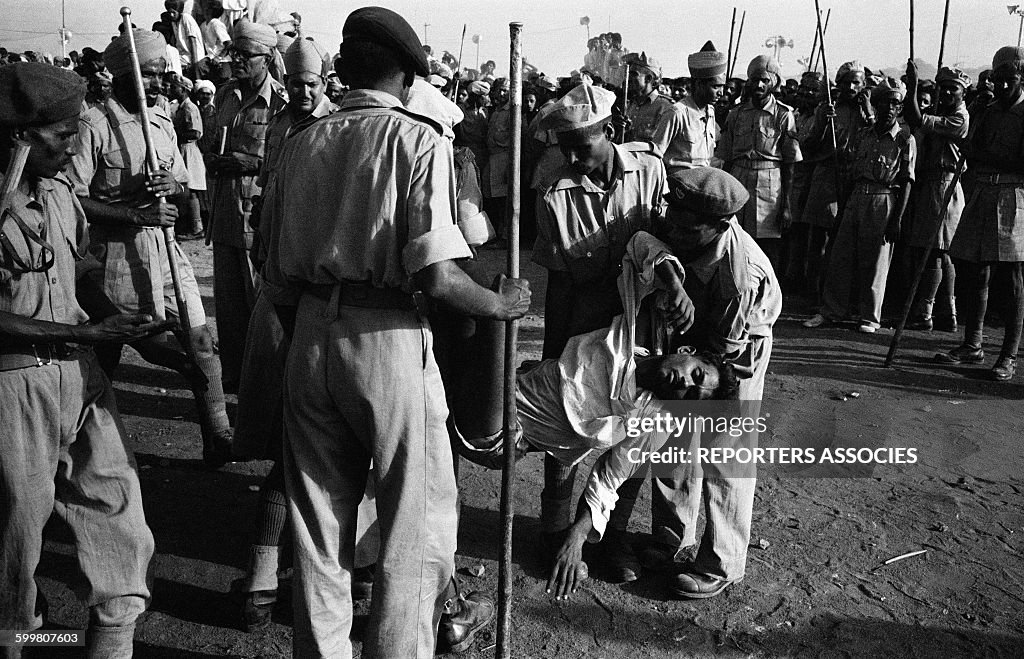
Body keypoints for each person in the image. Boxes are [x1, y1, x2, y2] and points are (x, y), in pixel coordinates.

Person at [268, 8, 531, 656]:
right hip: (384, 333)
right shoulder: (418, 141)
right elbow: (439, 277)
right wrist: (501, 306)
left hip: (307, 333)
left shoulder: (302, 141)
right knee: (413, 530)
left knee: (319, 530)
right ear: (408, 76)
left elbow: (270, 270)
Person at [548, 166, 780, 601]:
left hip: (733, 355)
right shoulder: (678, 224)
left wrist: (687, 364)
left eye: (687, 230)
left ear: (720, 226)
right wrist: (673, 279)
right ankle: (672, 537)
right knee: (671, 441)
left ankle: (721, 561)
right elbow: (643, 243)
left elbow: (719, 354)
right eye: (672, 218)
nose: (673, 228)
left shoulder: (742, 277)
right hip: (689, 344)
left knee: (723, 449)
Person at [0, 61, 159, 658]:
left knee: (119, 519)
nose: (73, 152)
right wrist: (88, 335)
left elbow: (82, 267)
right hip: (15, 388)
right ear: (19, 135)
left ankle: (110, 640)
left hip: (81, 379)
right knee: (16, 547)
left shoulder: (61, 193)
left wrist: (117, 320)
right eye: (62, 137)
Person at [67, 28, 234, 467]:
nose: (158, 84)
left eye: (162, 74)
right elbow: (71, 199)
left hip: (166, 253)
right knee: (107, 352)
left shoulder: (161, 120)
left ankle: (217, 435)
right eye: (150, 74)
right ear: (124, 73)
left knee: (200, 341)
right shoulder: (93, 125)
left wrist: (172, 186)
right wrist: (134, 214)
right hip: (113, 259)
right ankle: (81, 449)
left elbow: (181, 184)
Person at [533, 81, 668, 582]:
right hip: (587, 326)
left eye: (582, 145)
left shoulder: (650, 172)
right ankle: (552, 530)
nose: (573, 156)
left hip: (644, 327)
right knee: (565, 425)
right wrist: (553, 355)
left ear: (609, 132)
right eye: (564, 147)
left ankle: (610, 539)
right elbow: (561, 286)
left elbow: (665, 245)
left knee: (636, 434)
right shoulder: (554, 195)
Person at [230, 35, 339, 632]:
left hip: (305, 297)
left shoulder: (335, 130)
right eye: (296, 83)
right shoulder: (277, 128)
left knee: (305, 449)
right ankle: (267, 584)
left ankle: (275, 579)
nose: (303, 93)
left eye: (312, 84)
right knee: (293, 445)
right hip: (288, 302)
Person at [206, 19, 287, 391]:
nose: (236, 60)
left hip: (258, 219)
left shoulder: (282, 104)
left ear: (267, 59)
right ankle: (235, 377)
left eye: (245, 55)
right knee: (229, 308)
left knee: (261, 305)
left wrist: (250, 163)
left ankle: (263, 385)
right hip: (224, 216)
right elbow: (208, 145)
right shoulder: (224, 96)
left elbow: (288, 159)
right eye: (234, 53)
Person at [938, 47, 1024, 381]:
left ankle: (1008, 355)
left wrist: (983, 155)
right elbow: (971, 152)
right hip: (982, 192)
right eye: (997, 80)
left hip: (1013, 196)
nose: (1001, 86)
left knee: (1013, 278)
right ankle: (972, 344)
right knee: (973, 269)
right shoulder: (987, 111)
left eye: (1009, 80)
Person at [805, 78, 916, 333]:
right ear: (875, 105)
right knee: (840, 257)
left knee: (875, 262)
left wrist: (897, 219)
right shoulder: (865, 134)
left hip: (883, 198)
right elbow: (852, 171)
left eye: (895, 103)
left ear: (900, 108)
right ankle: (832, 310)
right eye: (884, 102)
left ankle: (870, 316)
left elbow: (907, 181)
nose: (889, 108)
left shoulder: (904, 139)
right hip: (856, 196)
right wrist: (844, 206)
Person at [798, 61, 875, 302]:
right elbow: (807, 146)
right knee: (819, 240)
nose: (851, 87)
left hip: (854, 178)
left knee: (846, 241)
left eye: (857, 82)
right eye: (847, 82)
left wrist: (869, 111)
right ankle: (813, 294)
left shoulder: (868, 110)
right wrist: (822, 122)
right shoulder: (827, 108)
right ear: (839, 85)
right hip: (827, 174)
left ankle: (841, 297)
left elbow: (877, 135)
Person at [716, 55, 802, 269]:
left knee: (766, 247)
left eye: (765, 80)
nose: (759, 85)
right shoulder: (736, 114)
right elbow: (726, 157)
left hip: (769, 187)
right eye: (754, 79)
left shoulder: (783, 115)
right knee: (734, 238)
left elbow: (790, 163)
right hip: (738, 179)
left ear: (774, 83)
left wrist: (787, 205)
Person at [903, 63, 971, 332]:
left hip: (945, 184)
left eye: (952, 89)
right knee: (940, 253)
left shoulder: (959, 118)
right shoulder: (942, 113)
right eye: (942, 88)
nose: (945, 94)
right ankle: (948, 312)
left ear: (962, 93)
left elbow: (917, 119)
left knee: (935, 252)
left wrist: (913, 86)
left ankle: (925, 312)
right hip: (931, 183)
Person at [651, 40, 726, 173]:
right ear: (699, 84)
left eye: (722, 87)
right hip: (679, 185)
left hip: (704, 183)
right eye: (715, 87)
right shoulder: (677, 113)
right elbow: (655, 156)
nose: (721, 93)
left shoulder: (710, 111)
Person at [169, 73, 206, 239]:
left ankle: (197, 228)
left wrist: (176, 135)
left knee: (192, 190)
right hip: (183, 149)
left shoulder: (190, 108)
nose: (171, 89)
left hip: (189, 151)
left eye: (174, 87)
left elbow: (195, 132)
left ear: (183, 90)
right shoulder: (181, 107)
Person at [623, 51, 674, 143]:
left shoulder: (665, 107)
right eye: (628, 74)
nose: (628, 78)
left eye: (634, 74)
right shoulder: (630, 104)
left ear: (648, 79)